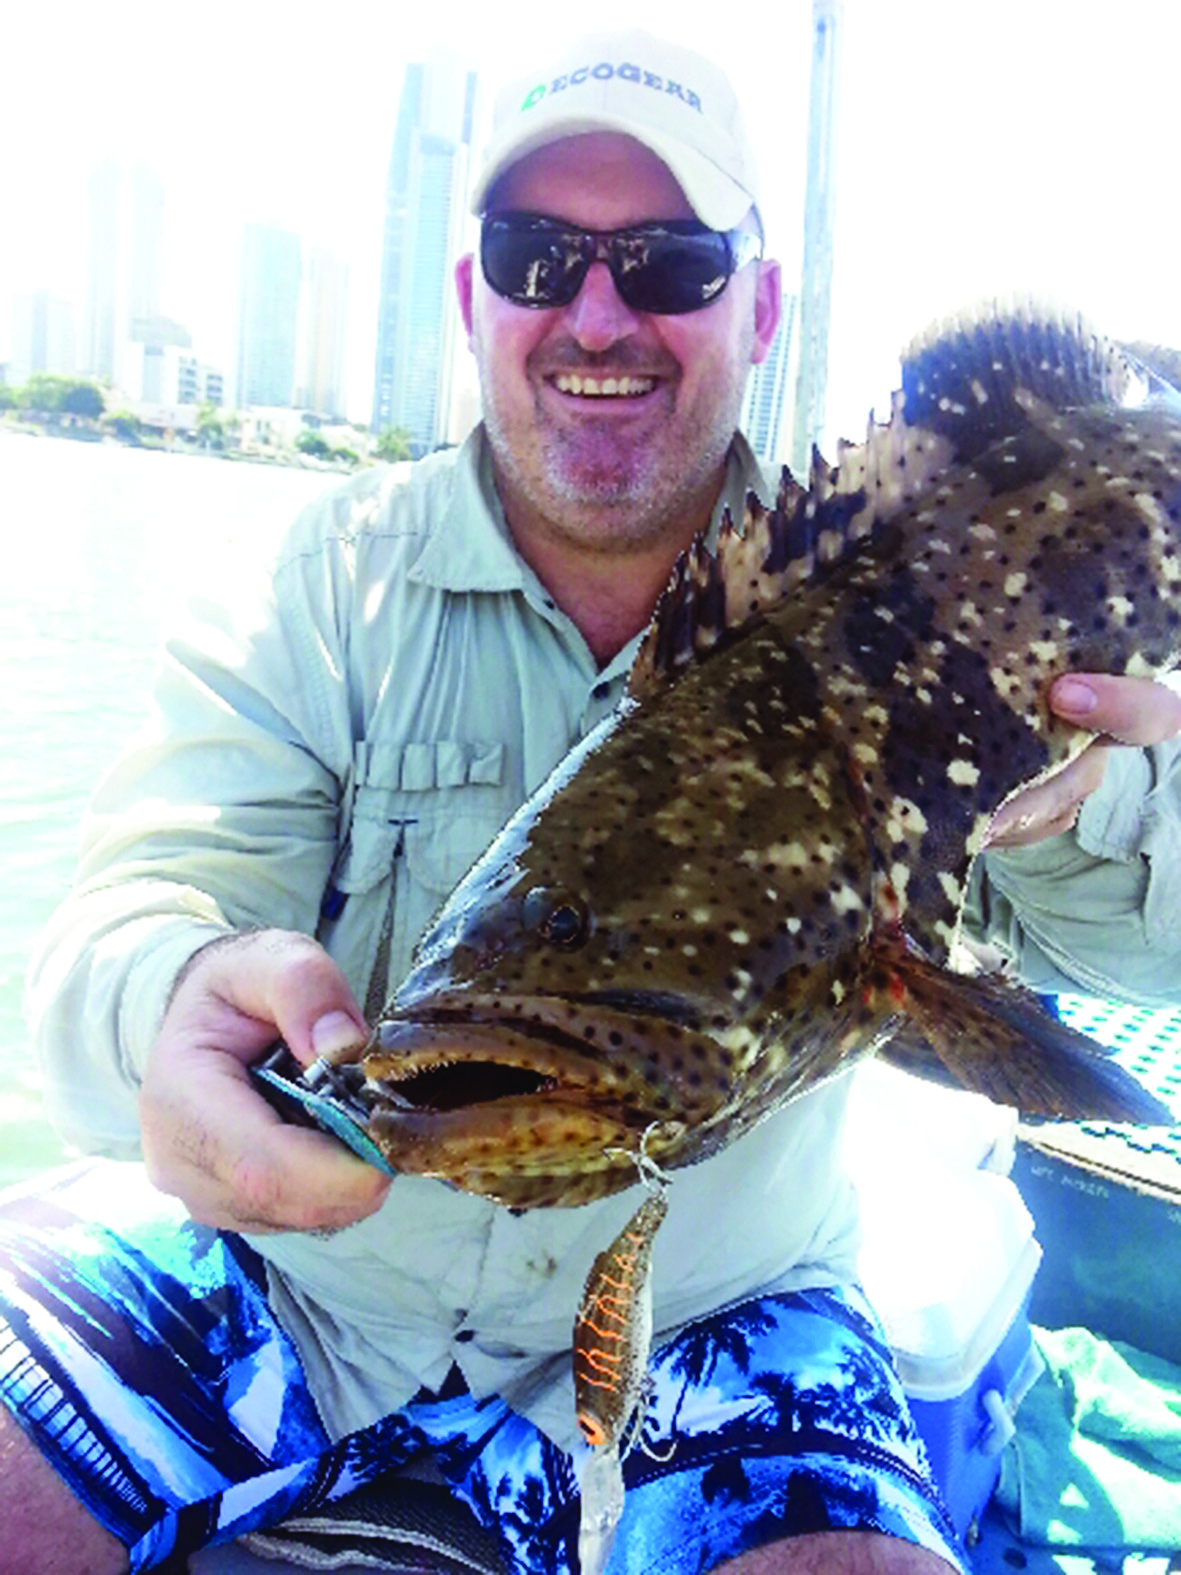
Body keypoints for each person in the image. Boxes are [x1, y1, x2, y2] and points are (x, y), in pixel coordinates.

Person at [5, 26, 1181, 1575]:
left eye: (671, 260)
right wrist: (167, 1007)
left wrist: (1114, 785)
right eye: (536, 252)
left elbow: (1137, 961)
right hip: (305, 1279)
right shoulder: (325, 578)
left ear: (757, 304)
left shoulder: (913, 601)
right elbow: (137, 907)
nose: (598, 310)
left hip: (728, 1304)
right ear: (471, 295)